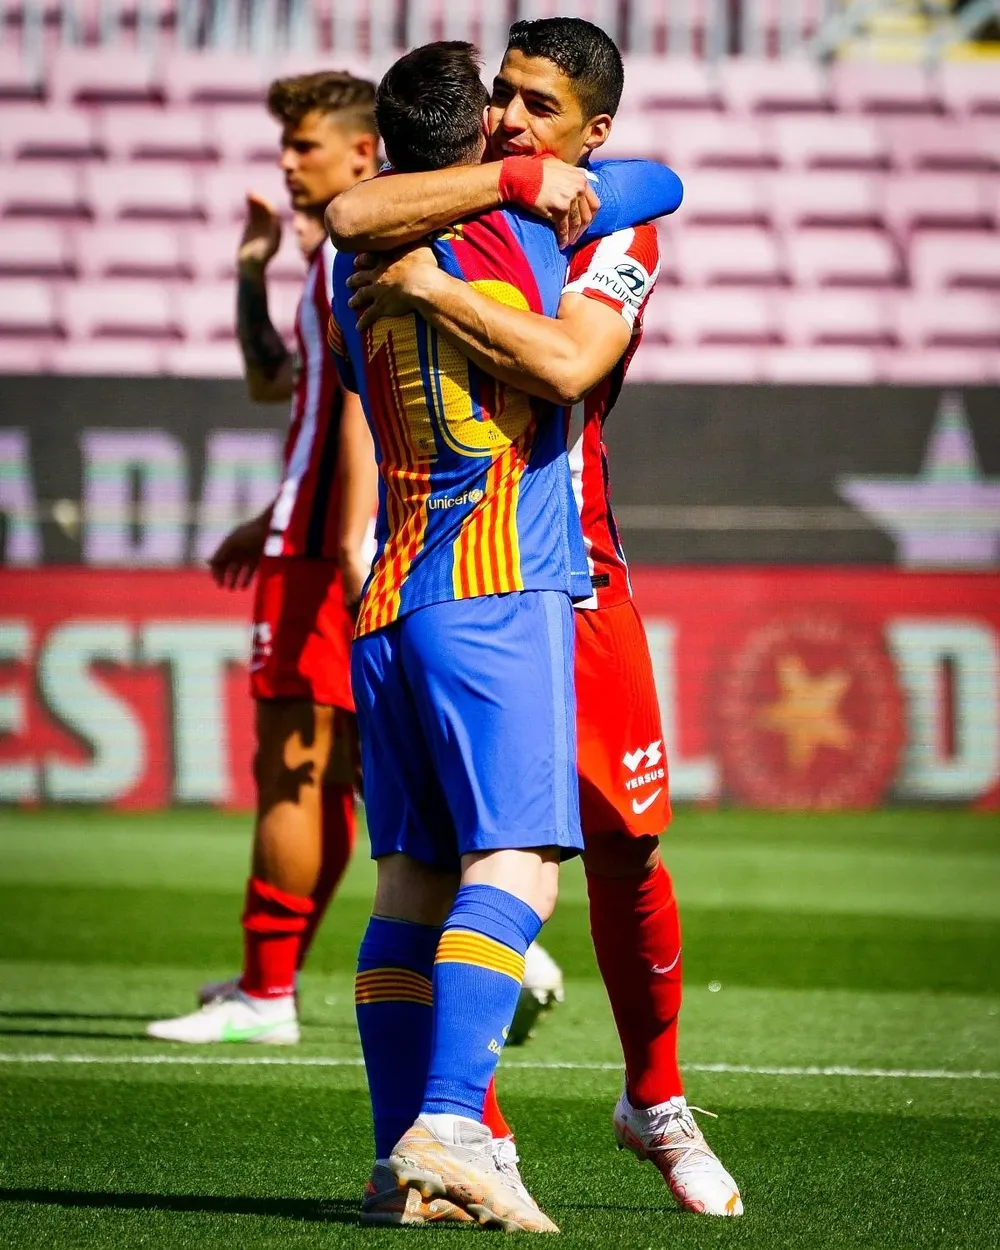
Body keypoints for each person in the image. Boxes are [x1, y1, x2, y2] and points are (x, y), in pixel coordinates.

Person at [333, 17, 742, 1219]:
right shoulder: (514, 223)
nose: (515, 121)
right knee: (519, 860)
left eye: (537, 107)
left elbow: (359, 218)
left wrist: (443, 245)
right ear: (472, 133)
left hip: (395, 592)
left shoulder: (379, 237)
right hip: (504, 574)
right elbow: (565, 368)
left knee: (426, 875)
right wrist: (528, 182)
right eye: (499, 102)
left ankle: (421, 1150)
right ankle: (460, 1122)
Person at [147, 72, 379, 1046]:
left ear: (365, 154)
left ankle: (268, 990)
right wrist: (253, 264)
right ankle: (270, 980)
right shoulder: (333, 258)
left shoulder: (357, 255)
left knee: (295, 764)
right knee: (342, 768)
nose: (288, 164)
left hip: (325, 555)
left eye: (307, 146)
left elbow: (364, 410)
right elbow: (278, 386)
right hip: (310, 536)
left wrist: (344, 539)